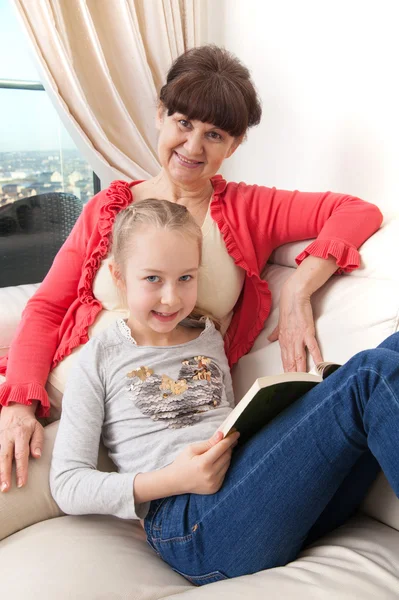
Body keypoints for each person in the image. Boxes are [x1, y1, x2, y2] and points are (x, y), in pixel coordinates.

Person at [0, 45, 383, 493]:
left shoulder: (248, 208)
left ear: (235, 143)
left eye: (215, 134)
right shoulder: (110, 208)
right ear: (161, 114)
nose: (193, 147)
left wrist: (298, 288)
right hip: (63, 400)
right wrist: (21, 404)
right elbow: (47, 308)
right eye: (183, 123)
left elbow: (356, 210)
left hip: (157, 430)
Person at [50, 197, 399, 585]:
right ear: (118, 277)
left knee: (394, 348)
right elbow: (67, 483)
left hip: (263, 502)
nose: (171, 297)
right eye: (152, 279)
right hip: (187, 525)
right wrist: (175, 479)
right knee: (371, 374)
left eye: (186, 277)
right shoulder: (98, 359)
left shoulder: (207, 334)